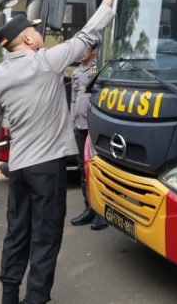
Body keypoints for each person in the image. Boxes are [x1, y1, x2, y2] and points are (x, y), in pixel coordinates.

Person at [0, 0, 123, 304]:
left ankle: (9, 294)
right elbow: (87, 35)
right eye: (34, 30)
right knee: (46, 235)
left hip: (19, 168)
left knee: (17, 231)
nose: (39, 33)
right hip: (47, 168)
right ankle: (36, 298)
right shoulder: (46, 62)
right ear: (27, 40)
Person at [68, 42, 108, 231]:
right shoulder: (76, 72)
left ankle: (101, 212)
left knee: (97, 168)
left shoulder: (99, 68)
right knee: (82, 169)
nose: (81, 53)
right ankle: (89, 208)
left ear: (94, 50)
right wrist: (71, 121)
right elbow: (74, 99)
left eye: (85, 49)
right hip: (79, 125)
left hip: (94, 126)